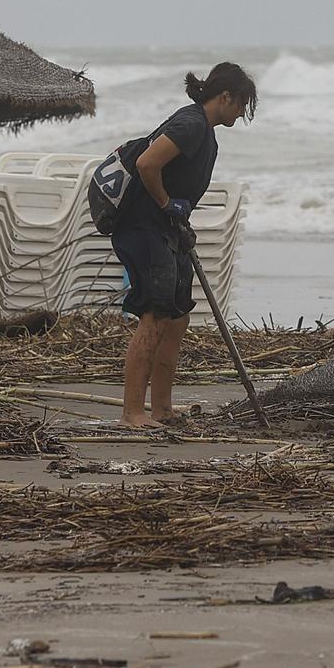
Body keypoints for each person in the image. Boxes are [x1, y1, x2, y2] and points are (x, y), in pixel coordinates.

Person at [113, 63, 257, 428]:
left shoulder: (204, 131)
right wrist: (165, 203)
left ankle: (162, 408)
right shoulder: (191, 124)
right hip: (144, 228)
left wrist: (178, 216)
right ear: (225, 97)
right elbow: (147, 164)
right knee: (156, 316)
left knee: (177, 319)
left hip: (167, 230)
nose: (242, 113)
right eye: (242, 104)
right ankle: (132, 412)